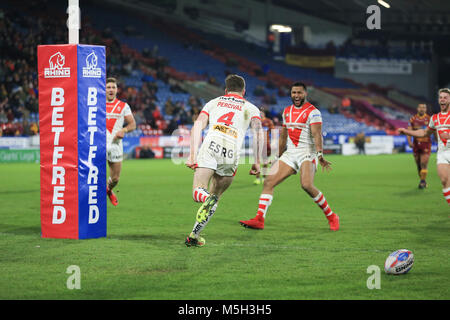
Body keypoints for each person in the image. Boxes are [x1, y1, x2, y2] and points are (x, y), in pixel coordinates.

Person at [239, 82, 340, 231]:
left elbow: (317, 134)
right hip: (290, 153)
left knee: (306, 185)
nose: (296, 95)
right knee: (268, 182)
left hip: (307, 153)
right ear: (290, 94)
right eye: (294, 93)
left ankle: (331, 216)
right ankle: (259, 219)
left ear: (305, 94)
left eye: (299, 93)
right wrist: (277, 157)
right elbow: (283, 136)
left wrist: (319, 154)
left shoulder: (313, 112)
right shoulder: (286, 111)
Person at [185, 74, 263, 247]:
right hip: (232, 151)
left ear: (226, 90)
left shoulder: (213, 102)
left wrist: (192, 154)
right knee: (215, 196)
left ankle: (205, 198)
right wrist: (257, 161)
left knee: (198, 191)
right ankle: (194, 236)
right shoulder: (251, 108)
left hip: (212, 144)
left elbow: (198, 125)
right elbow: (258, 133)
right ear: (243, 91)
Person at [398, 88, 450, 206]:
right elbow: (424, 133)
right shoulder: (435, 118)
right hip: (443, 153)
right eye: (440, 97)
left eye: (445, 97)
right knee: (444, 180)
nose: (442, 100)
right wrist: (407, 132)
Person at [105, 77, 136, 206]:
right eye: (108, 87)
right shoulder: (96, 104)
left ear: (117, 90)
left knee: (116, 178)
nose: (111, 89)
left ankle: (109, 190)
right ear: (104, 90)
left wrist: (124, 130)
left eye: (113, 87)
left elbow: (132, 124)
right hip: (98, 144)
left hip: (115, 145)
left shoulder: (123, 106)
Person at [407, 104, 432, 189]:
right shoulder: (413, 119)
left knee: (423, 163)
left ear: (426, 109)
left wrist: (438, 140)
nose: (422, 109)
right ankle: (423, 180)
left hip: (426, 144)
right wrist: (409, 141)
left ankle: (422, 182)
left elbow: (435, 130)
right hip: (416, 144)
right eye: (420, 107)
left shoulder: (429, 119)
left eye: (424, 107)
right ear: (417, 109)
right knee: (418, 165)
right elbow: (409, 132)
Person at [253, 110, 275, 185]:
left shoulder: (268, 121)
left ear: (264, 113)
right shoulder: (255, 122)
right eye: (259, 113)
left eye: (261, 113)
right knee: (257, 161)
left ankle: (265, 177)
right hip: (258, 144)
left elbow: (273, 131)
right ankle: (258, 178)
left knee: (265, 162)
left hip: (266, 144)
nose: (260, 114)